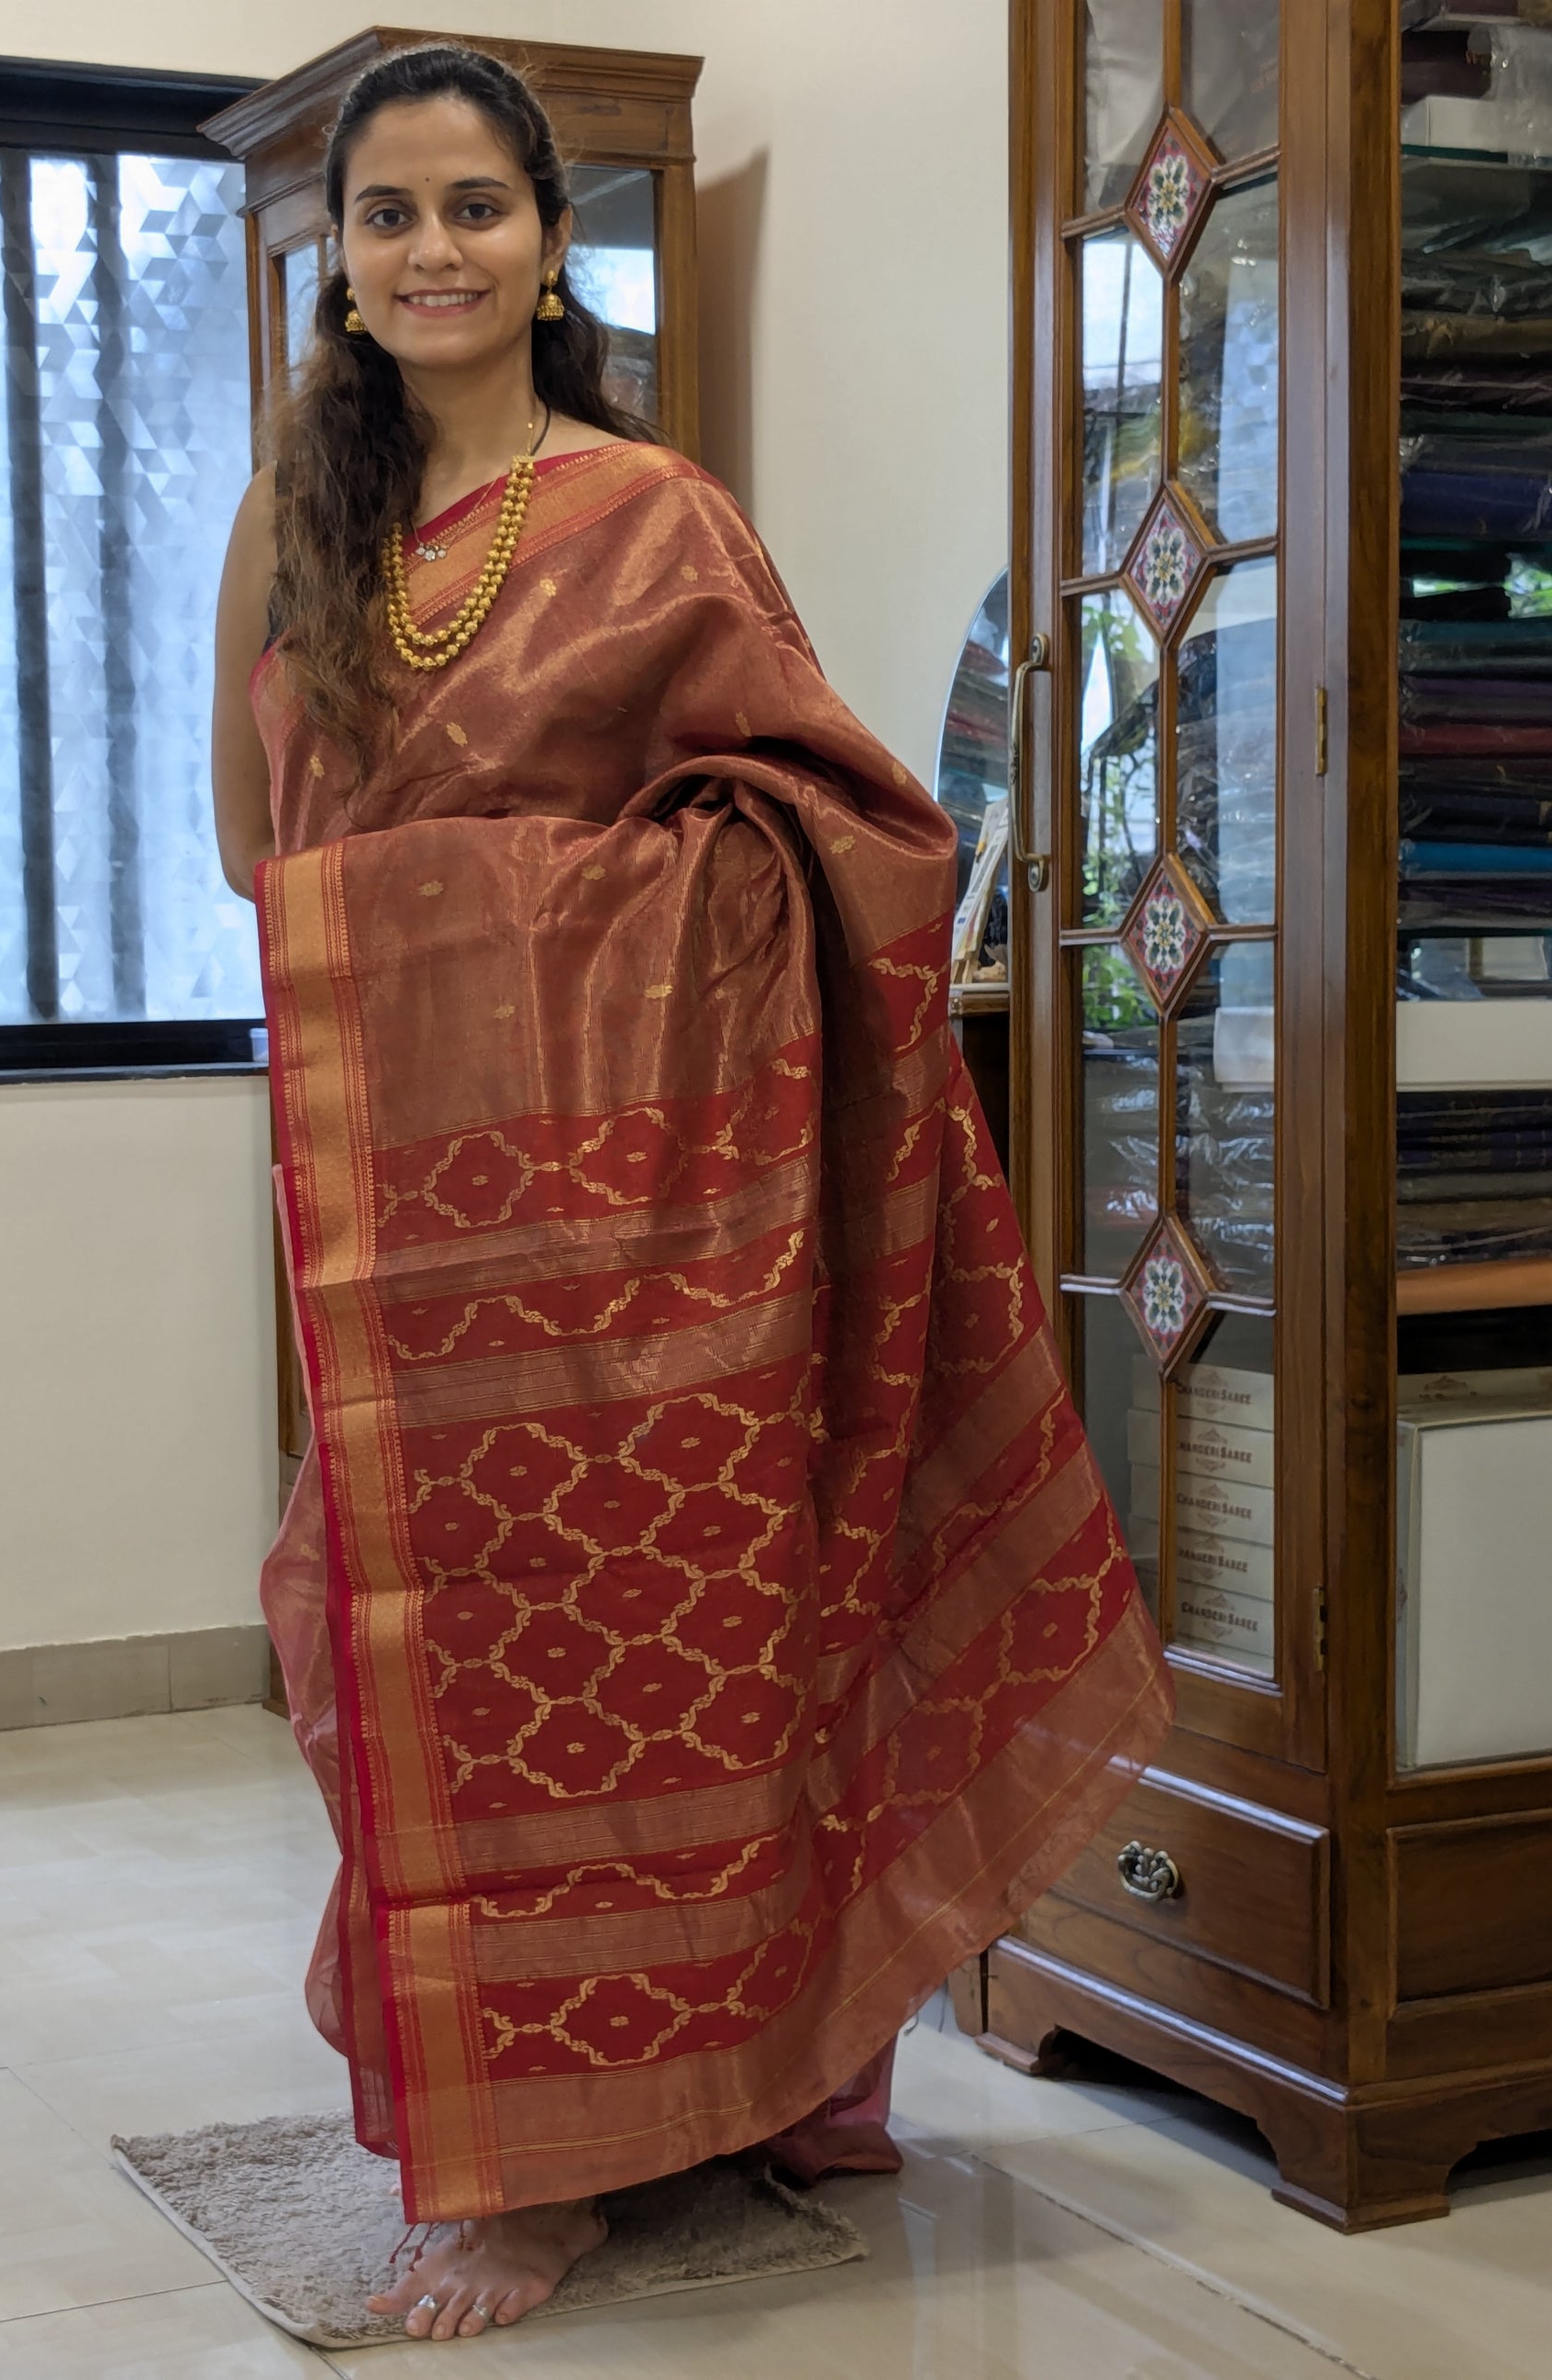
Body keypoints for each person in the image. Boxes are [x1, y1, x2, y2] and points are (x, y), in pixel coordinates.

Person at [212, 40, 1172, 2346]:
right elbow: (260, 862)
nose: (429, 251)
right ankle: (510, 2132)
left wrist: (505, 917)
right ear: (334, 263)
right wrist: (426, 925)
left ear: (551, 245)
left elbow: (839, 833)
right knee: (405, 1666)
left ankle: (625, 2139)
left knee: (676, 1645)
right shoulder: (303, 529)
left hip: (648, 1212)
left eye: (472, 209)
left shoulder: (652, 513)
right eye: (386, 217)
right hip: (400, 1205)